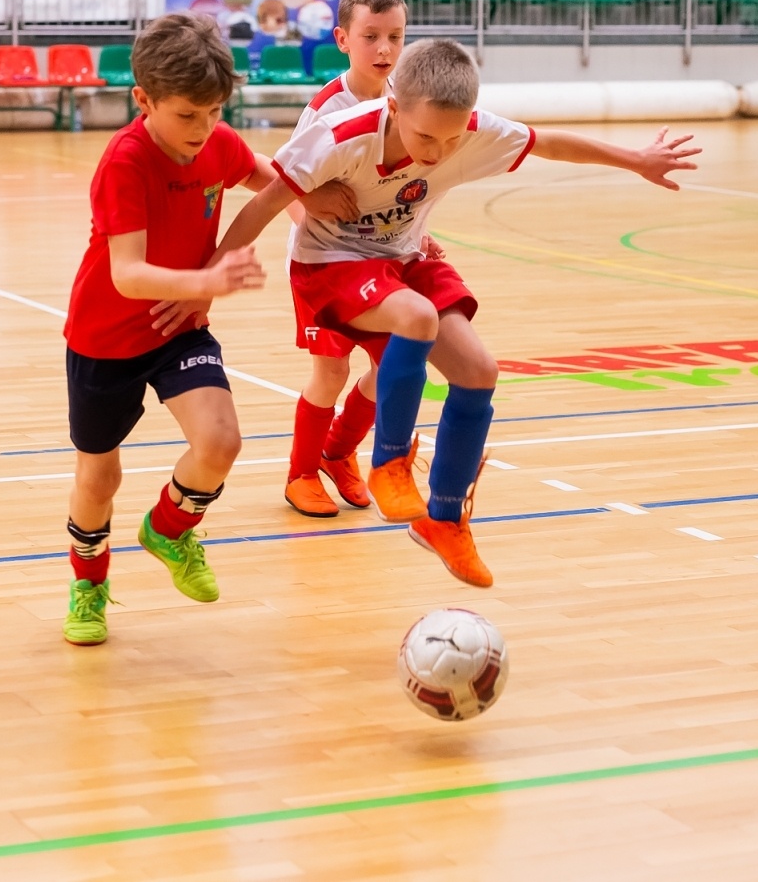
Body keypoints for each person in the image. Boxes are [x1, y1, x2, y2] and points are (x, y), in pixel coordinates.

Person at [213, 39, 701, 588]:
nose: (438, 152)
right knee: (416, 318)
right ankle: (388, 464)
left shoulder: (469, 131)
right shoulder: (339, 135)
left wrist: (636, 160)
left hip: (402, 258)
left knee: (478, 371)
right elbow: (262, 202)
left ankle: (444, 519)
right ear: (394, 107)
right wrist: (205, 281)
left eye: (451, 139)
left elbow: (549, 144)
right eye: (425, 137)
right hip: (330, 262)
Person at [57, 11, 347, 646]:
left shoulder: (215, 141)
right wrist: (208, 284)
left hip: (179, 327)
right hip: (105, 337)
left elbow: (265, 176)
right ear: (144, 99)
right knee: (98, 477)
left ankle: (169, 528)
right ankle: (88, 583)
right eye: (187, 115)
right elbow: (128, 274)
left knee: (220, 441)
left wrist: (309, 205)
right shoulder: (125, 162)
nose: (204, 129)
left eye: (215, 112)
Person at [277, 0, 406, 519]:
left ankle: (338, 452)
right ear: (342, 39)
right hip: (323, 260)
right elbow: (283, 185)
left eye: (395, 38)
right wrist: (317, 216)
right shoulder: (326, 109)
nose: (384, 49)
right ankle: (301, 473)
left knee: (395, 363)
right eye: (371, 36)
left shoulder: (402, 98)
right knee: (330, 372)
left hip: (379, 257)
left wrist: (415, 232)